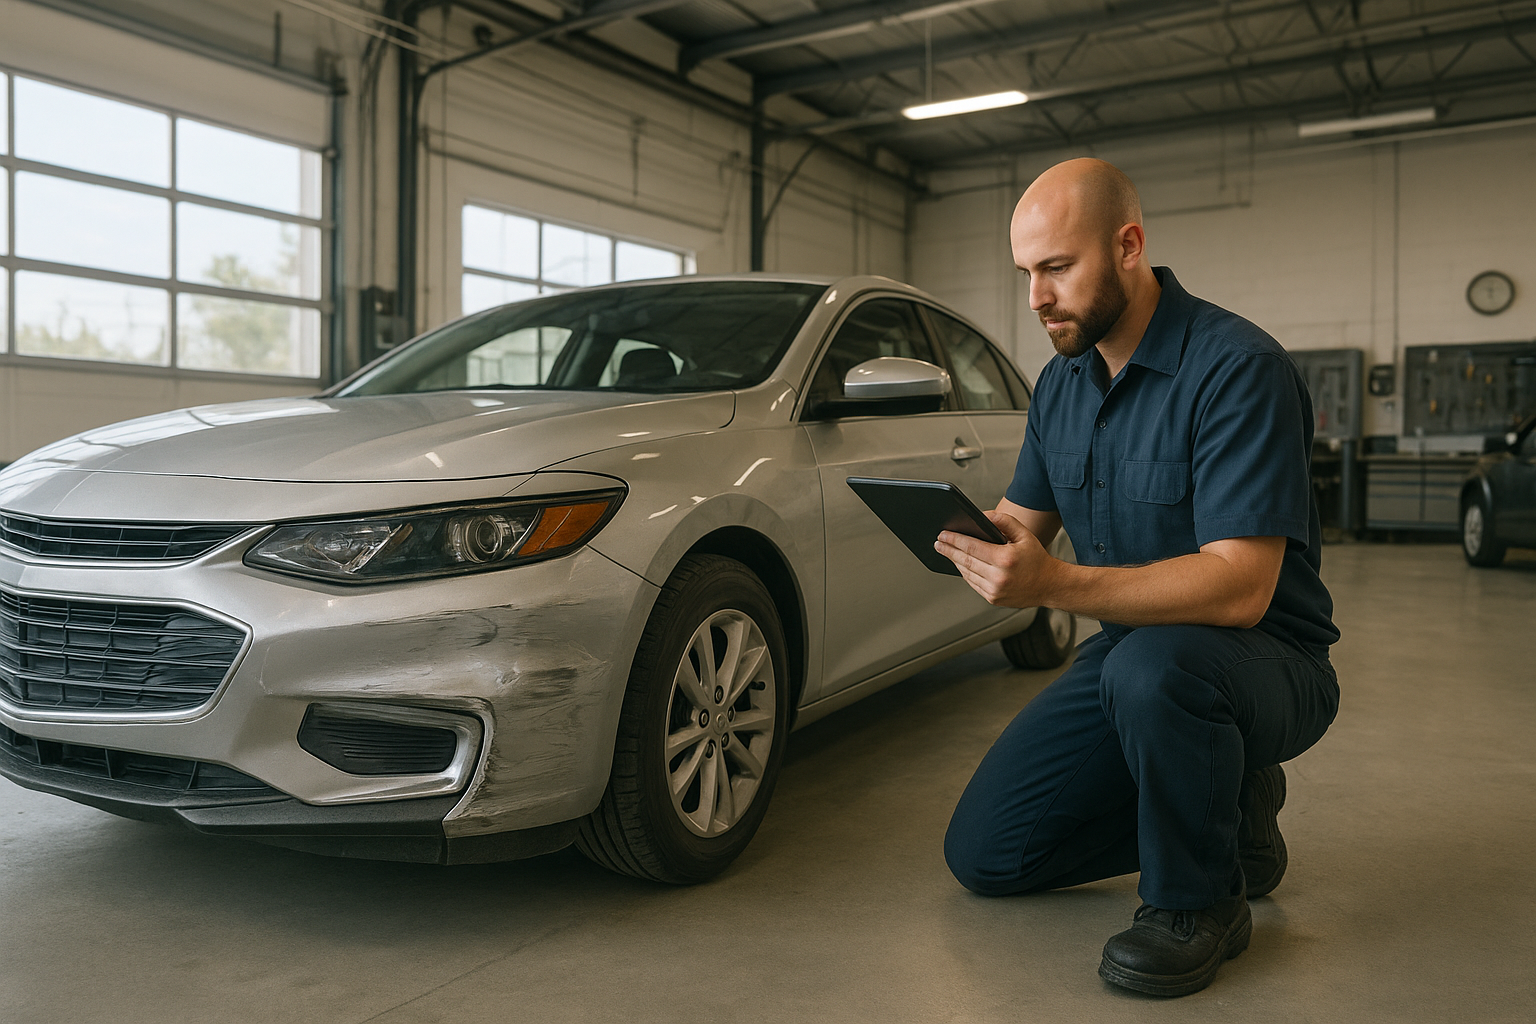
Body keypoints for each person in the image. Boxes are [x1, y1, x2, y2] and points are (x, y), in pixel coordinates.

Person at [935, 158, 1340, 997]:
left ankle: (1198, 903)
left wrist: (1050, 584)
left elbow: (1241, 588)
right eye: (1026, 274)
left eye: (1056, 268)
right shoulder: (1062, 384)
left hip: (1266, 660)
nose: (1037, 298)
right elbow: (1024, 520)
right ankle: (1228, 814)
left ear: (1128, 246)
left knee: (1157, 667)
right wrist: (967, 534)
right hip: (1133, 667)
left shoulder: (1237, 369)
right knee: (989, 853)